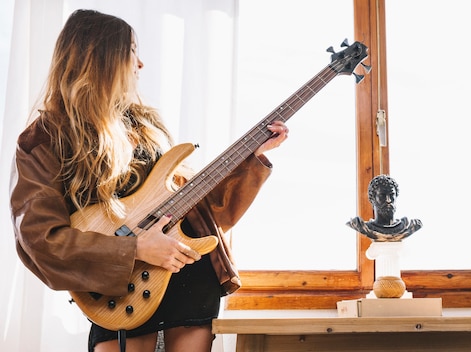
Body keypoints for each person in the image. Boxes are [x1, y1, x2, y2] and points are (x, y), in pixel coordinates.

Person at [9, 9, 288, 352]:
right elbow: (41, 241)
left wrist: (252, 159)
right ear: (101, 57)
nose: (140, 65)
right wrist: (137, 248)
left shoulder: (145, 130)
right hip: (118, 289)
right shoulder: (43, 140)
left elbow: (204, 214)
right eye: (130, 52)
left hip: (186, 277)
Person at [347, 174, 422, 242]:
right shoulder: (362, 227)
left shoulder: (408, 226)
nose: (388, 200)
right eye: (382, 196)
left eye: (392, 195)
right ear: (372, 199)